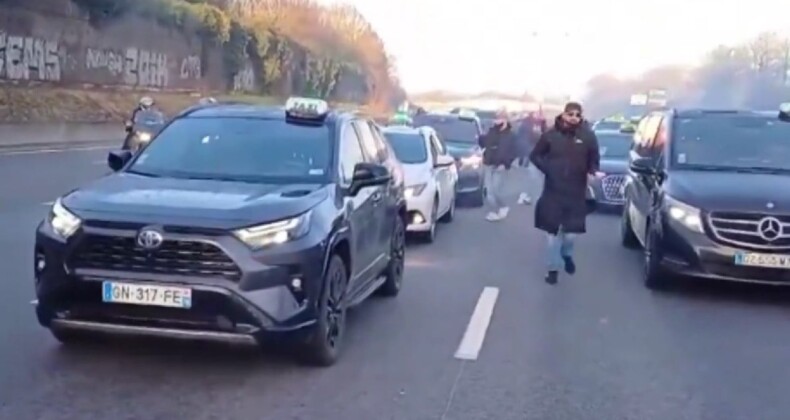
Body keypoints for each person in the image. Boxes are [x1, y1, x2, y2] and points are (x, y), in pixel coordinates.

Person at [529, 102, 600, 284]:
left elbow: (594, 160)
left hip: (576, 193)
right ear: (564, 114)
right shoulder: (550, 135)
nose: (574, 117)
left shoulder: (588, 137)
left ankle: (566, 255)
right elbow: (535, 156)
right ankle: (552, 270)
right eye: (570, 114)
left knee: (570, 236)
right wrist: (548, 169)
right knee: (552, 235)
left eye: (577, 114)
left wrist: (593, 171)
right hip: (553, 192)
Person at [479, 108, 518, 221]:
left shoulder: (510, 135)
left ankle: (503, 207)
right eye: (496, 118)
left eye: (499, 118)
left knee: (496, 190)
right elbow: (485, 144)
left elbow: (513, 152)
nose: (496, 121)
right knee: (489, 192)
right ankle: (496, 211)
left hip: (500, 166)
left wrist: (506, 164)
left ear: (505, 120)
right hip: (488, 164)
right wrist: (481, 139)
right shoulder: (492, 131)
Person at [515, 111, 547, 205]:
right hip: (530, 154)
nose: (539, 116)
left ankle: (529, 195)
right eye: (537, 114)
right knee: (532, 176)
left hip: (538, 155)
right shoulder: (526, 125)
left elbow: (545, 136)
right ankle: (528, 195)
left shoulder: (540, 124)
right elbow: (522, 140)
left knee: (535, 176)